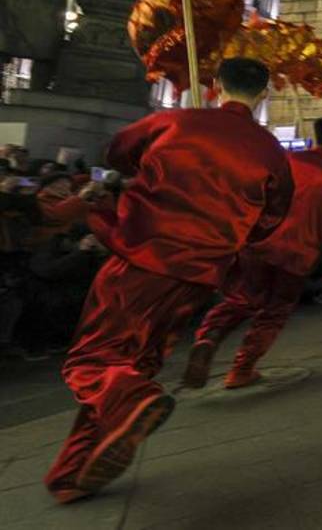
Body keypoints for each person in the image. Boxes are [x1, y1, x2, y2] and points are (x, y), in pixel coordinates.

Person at [44, 58, 293, 504]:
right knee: (128, 366)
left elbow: (117, 152)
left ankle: (133, 403)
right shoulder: (271, 151)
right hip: (199, 273)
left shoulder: (178, 122)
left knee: (95, 362)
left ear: (216, 85)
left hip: (144, 257)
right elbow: (269, 221)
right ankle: (73, 470)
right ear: (263, 94)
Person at [183, 116, 322, 390]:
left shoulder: (286, 161)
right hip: (299, 252)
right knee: (274, 312)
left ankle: (208, 337)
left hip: (260, 243)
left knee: (241, 299)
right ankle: (241, 368)